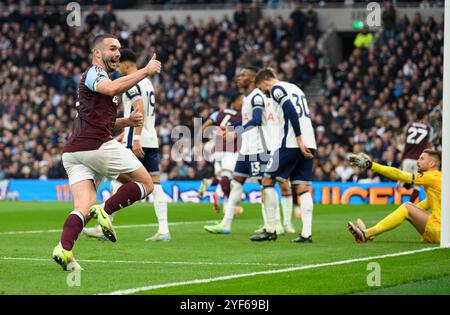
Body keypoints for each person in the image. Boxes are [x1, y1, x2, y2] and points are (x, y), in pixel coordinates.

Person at [52, 34, 161, 271]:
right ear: (97, 53)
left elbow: (102, 121)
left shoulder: (102, 82)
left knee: (82, 208)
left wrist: (128, 121)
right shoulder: (95, 74)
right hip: (97, 146)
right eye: (112, 48)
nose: (117, 53)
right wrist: (144, 71)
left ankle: (64, 249)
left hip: (74, 153)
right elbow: (111, 88)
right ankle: (105, 209)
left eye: (119, 49)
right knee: (146, 183)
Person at [82, 48, 170, 242]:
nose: (117, 68)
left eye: (120, 64)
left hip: (138, 141)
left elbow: (139, 108)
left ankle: (103, 222)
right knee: (155, 185)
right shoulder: (147, 82)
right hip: (150, 139)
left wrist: (135, 138)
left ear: (127, 64)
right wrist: (124, 135)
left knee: (116, 179)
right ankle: (164, 230)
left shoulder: (133, 81)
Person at [203, 66, 270, 235]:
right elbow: (246, 121)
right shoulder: (247, 99)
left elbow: (256, 120)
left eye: (244, 75)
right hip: (246, 149)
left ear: (253, 79)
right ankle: (226, 224)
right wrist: (230, 128)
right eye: (239, 74)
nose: (239, 77)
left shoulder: (256, 96)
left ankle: (272, 225)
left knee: (265, 185)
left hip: (258, 147)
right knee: (236, 182)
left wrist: (235, 133)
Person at [254, 68, 316, 242]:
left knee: (267, 180)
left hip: (292, 142)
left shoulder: (276, 88)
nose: (263, 93)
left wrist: (297, 138)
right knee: (302, 187)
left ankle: (271, 229)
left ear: (265, 82)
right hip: (309, 141)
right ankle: (306, 234)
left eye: (261, 88)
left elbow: (290, 109)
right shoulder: (296, 88)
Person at [347, 149, 441, 244]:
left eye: (422, 159)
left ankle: (367, 234)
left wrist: (371, 165)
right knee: (407, 208)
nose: (417, 161)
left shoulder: (431, 177)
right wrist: (406, 212)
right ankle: (370, 233)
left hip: (439, 230)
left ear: (432, 163)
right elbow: (422, 206)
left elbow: (399, 174)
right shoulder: (437, 179)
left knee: (407, 207)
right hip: (441, 232)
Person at [198, 92, 244, 216]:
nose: (243, 102)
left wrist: (201, 137)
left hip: (217, 149)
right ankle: (224, 201)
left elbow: (204, 127)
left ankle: (210, 184)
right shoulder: (241, 115)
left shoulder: (218, 113)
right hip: (231, 148)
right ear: (234, 101)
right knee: (227, 177)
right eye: (241, 100)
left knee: (222, 177)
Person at [400, 110, 432, 202]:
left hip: (407, 159)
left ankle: (405, 183)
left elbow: (405, 142)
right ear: (425, 116)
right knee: (417, 186)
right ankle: (409, 206)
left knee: (406, 181)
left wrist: (403, 158)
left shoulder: (409, 126)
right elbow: (428, 145)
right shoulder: (428, 128)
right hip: (419, 160)